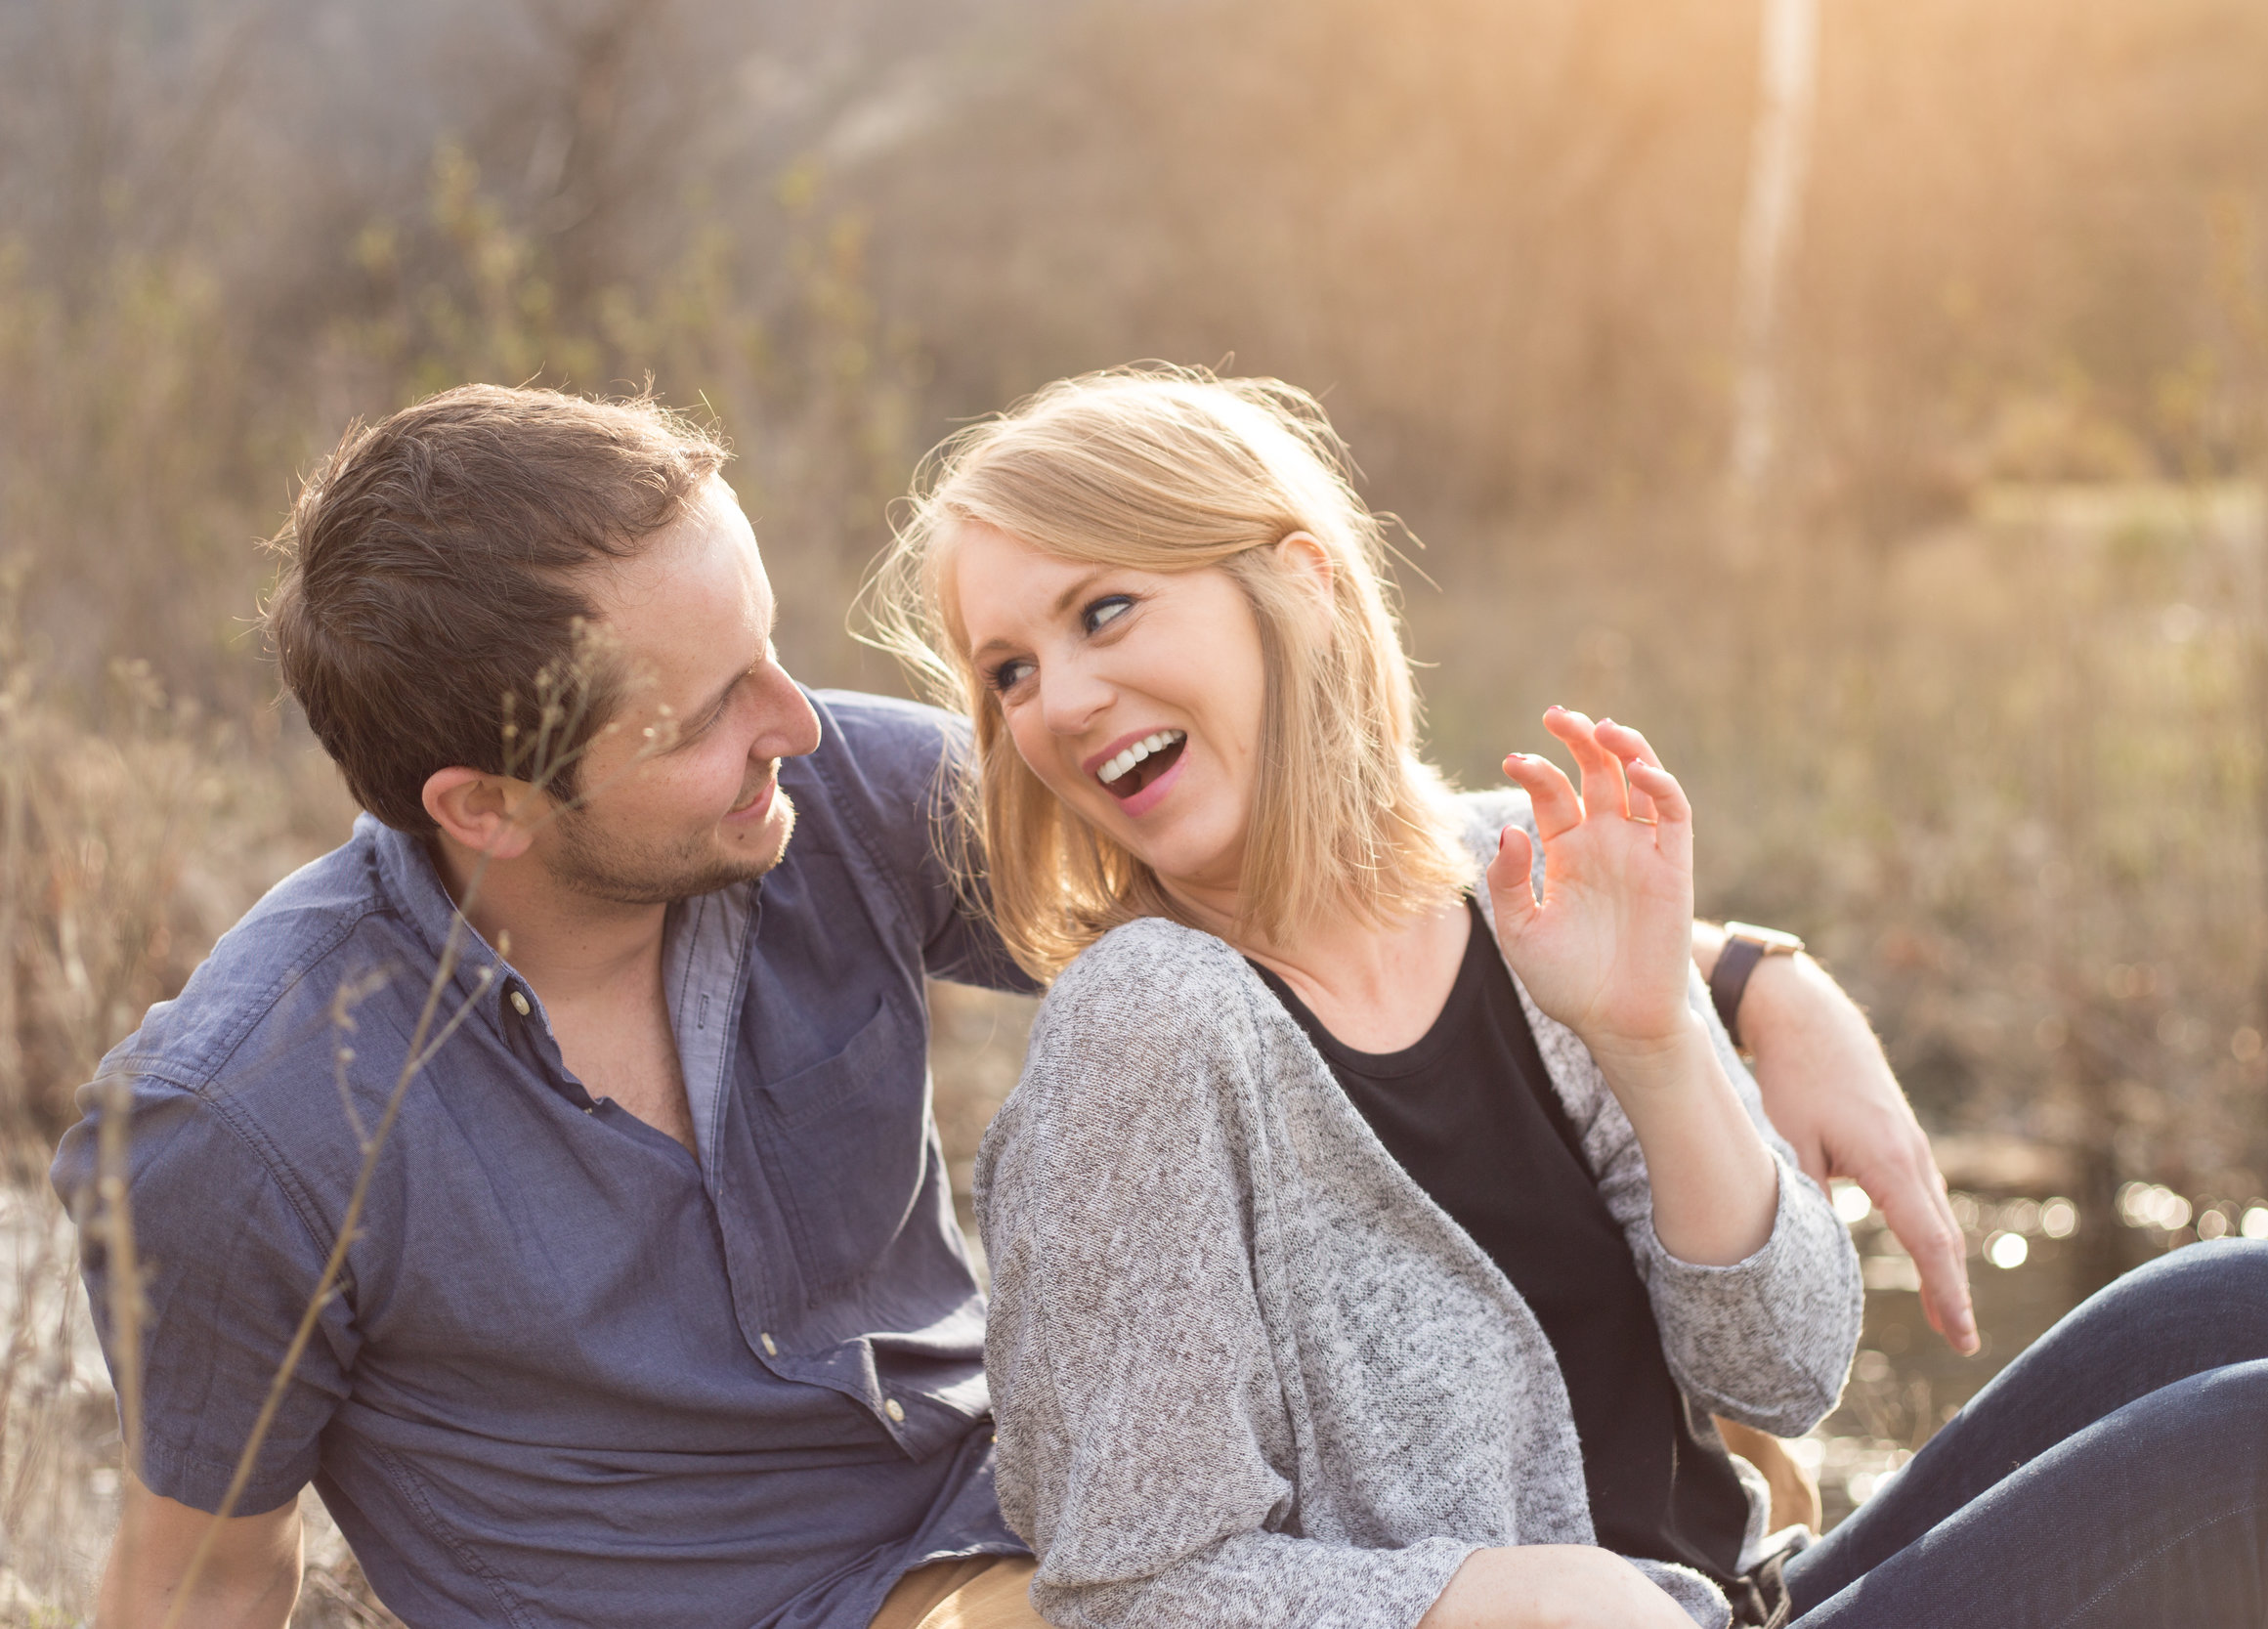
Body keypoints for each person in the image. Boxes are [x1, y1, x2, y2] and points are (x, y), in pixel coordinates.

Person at [51, 383, 1957, 1629]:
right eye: (705, 710)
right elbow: (200, 1578)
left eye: (771, 653)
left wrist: (1732, 976)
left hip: (1023, 1536)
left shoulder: (812, 808)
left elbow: (1290, 848)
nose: (794, 725)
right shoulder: (251, 1122)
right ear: (485, 807)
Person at [876, 365, 2268, 1629]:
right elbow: (1132, 1593)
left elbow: (1784, 1371)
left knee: (2248, 1303)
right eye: (1007, 669)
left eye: (1104, 613)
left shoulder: (1507, 874)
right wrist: (1485, 1601)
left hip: (1749, 1598)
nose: (1058, 704)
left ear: (1297, 589)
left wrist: (1664, 1040)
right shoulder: (1149, 1026)